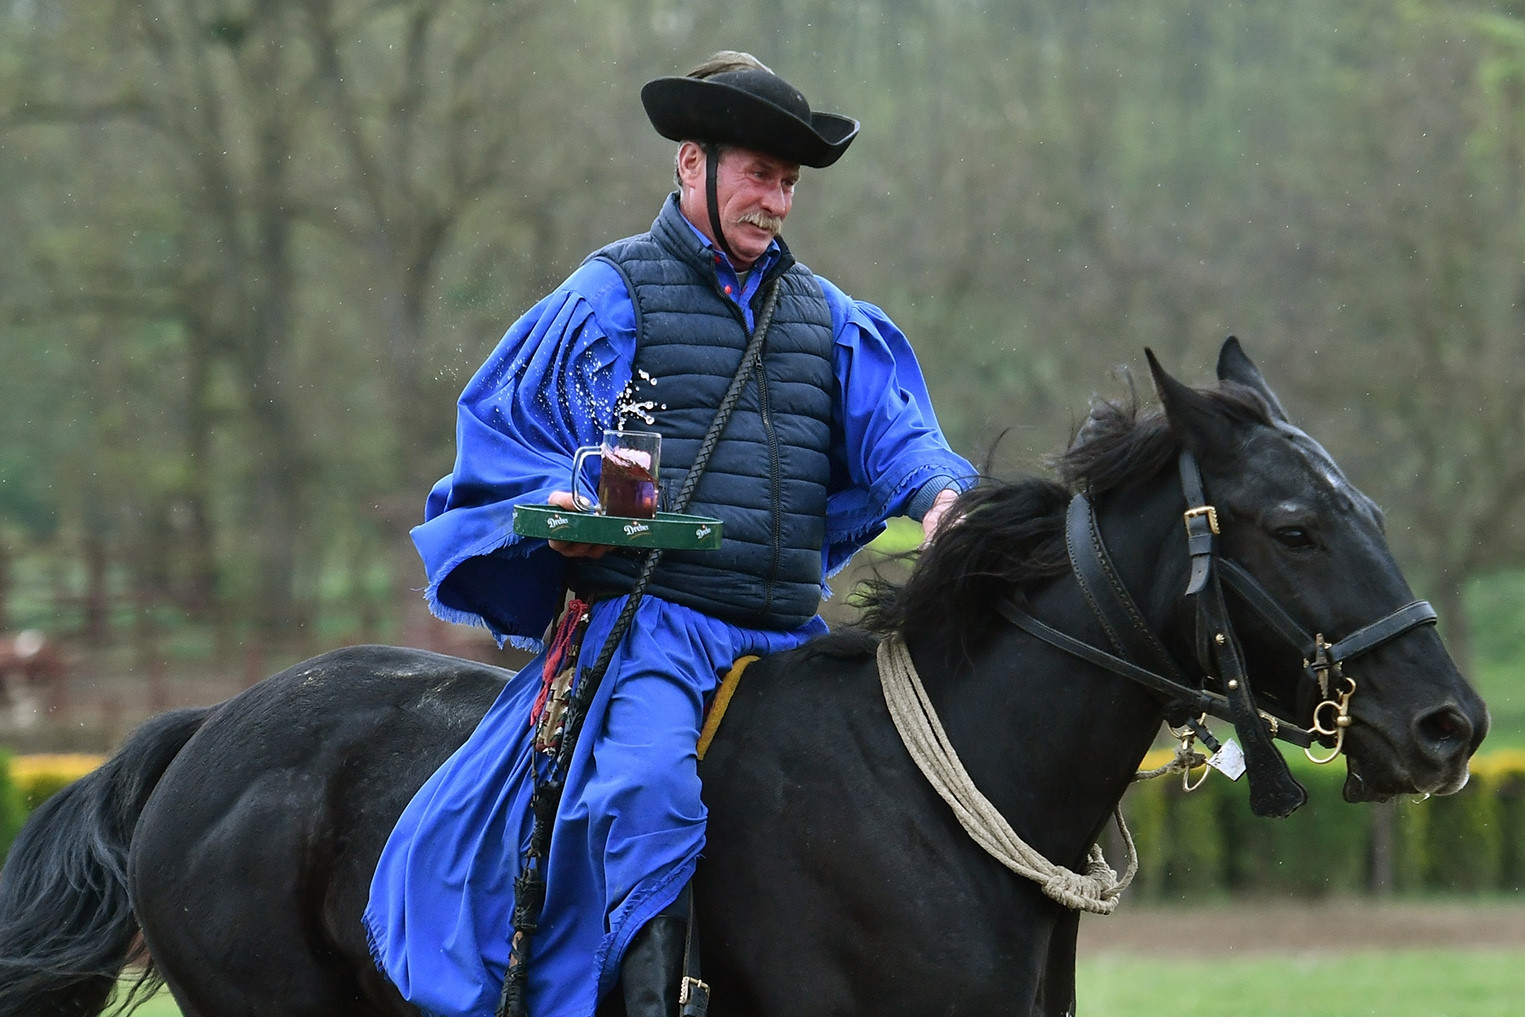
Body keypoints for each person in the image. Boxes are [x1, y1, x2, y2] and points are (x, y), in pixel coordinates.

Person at [363, 51, 976, 1017]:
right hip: (655, 631)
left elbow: (897, 433)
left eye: (787, 182)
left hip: (789, 636)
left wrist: (941, 497)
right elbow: (513, 435)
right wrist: (567, 504)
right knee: (648, 788)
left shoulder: (830, 319)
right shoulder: (608, 295)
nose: (774, 201)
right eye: (756, 175)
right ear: (691, 164)